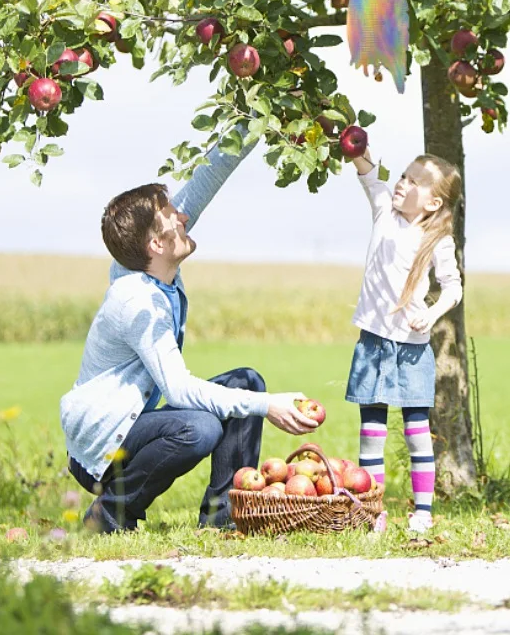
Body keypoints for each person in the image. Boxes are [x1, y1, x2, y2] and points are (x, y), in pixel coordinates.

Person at [60, 128, 317, 534]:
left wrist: (257, 119)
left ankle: (225, 518)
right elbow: (179, 390)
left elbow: (206, 179)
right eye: (171, 217)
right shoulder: (138, 303)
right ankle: (108, 514)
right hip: (101, 448)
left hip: (133, 428)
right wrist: (267, 405)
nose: (182, 216)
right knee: (199, 429)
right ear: (156, 245)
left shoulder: (145, 261)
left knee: (246, 382)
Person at [346, 144, 463, 533]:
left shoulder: (438, 241)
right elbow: (368, 172)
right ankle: (373, 511)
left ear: (432, 202)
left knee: (416, 433)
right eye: (403, 175)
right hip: (374, 343)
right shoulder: (384, 211)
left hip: (413, 349)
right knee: (371, 433)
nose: (401, 184)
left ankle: (423, 512)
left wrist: (429, 314)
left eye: (414, 182)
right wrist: (354, 144)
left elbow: (453, 289)